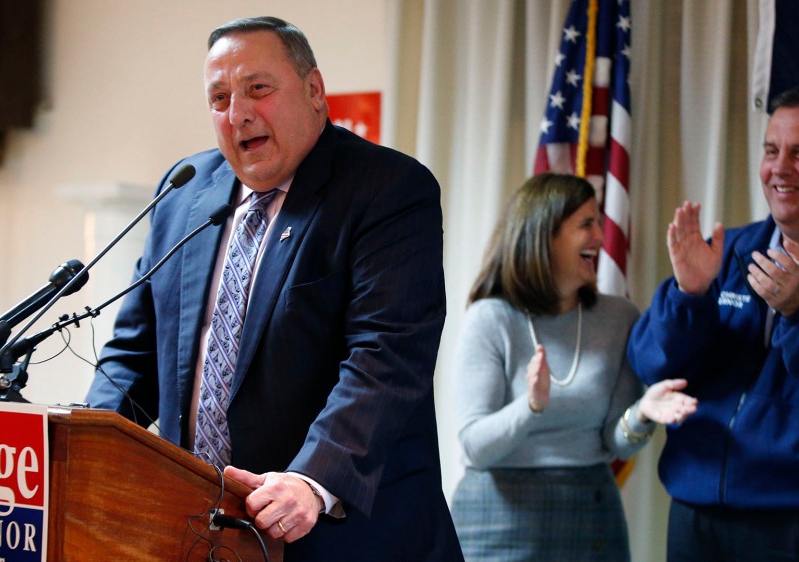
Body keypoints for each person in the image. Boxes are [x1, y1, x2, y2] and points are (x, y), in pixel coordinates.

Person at [84, 16, 463, 561]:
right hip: (193, 532)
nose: (238, 113)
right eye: (219, 98)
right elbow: (134, 354)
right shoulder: (183, 193)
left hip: (343, 535)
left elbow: (385, 359)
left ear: (314, 91)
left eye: (258, 89)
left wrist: (311, 480)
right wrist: (94, 449)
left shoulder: (388, 190)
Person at [450, 173, 697, 561]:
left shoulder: (620, 317)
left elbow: (615, 441)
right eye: (586, 224)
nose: (601, 236)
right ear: (544, 234)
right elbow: (475, 447)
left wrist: (642, 412)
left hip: (591, 512)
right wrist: (530, 407)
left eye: (599, 222)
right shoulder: (490, 318)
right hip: (496, 515)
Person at [628, 85, 799, 561]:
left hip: (797, 519)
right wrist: (689, 295)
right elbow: (650, 363)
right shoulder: (727, 250)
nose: (780, 168)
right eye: (771, 150)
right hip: (695, 511)